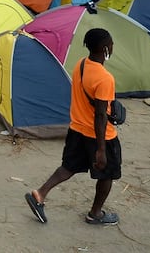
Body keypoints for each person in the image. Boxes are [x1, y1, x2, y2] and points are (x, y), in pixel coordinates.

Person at [25, 28, 122, 226]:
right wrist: (102, 150)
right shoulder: (105, 78)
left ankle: (40, 194)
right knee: (107, 174)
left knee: (68, 167)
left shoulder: (81, 64)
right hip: (100, 136)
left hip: (77, 129)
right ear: (105, 48)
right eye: (111, 43)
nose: (112, 46)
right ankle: (95, 214)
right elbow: (101, 115)